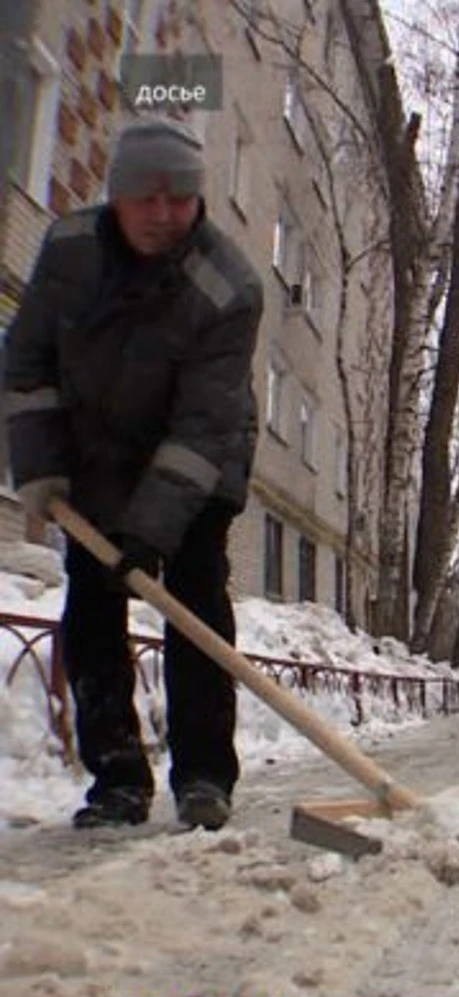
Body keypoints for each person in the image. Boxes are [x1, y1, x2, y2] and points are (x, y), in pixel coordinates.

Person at [3, 116, 264, 830]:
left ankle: (206, 775)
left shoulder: (229, 285)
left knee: (197, 597)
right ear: (115, 195)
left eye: (179, 198)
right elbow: (25, 364)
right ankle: (117, 778)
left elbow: (204, 423)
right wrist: (41, 469)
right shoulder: (67, 250)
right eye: (146, 197)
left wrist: (149, 531)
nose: (163, 214)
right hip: (95, 451)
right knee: (91, 605)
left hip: (199, 456)